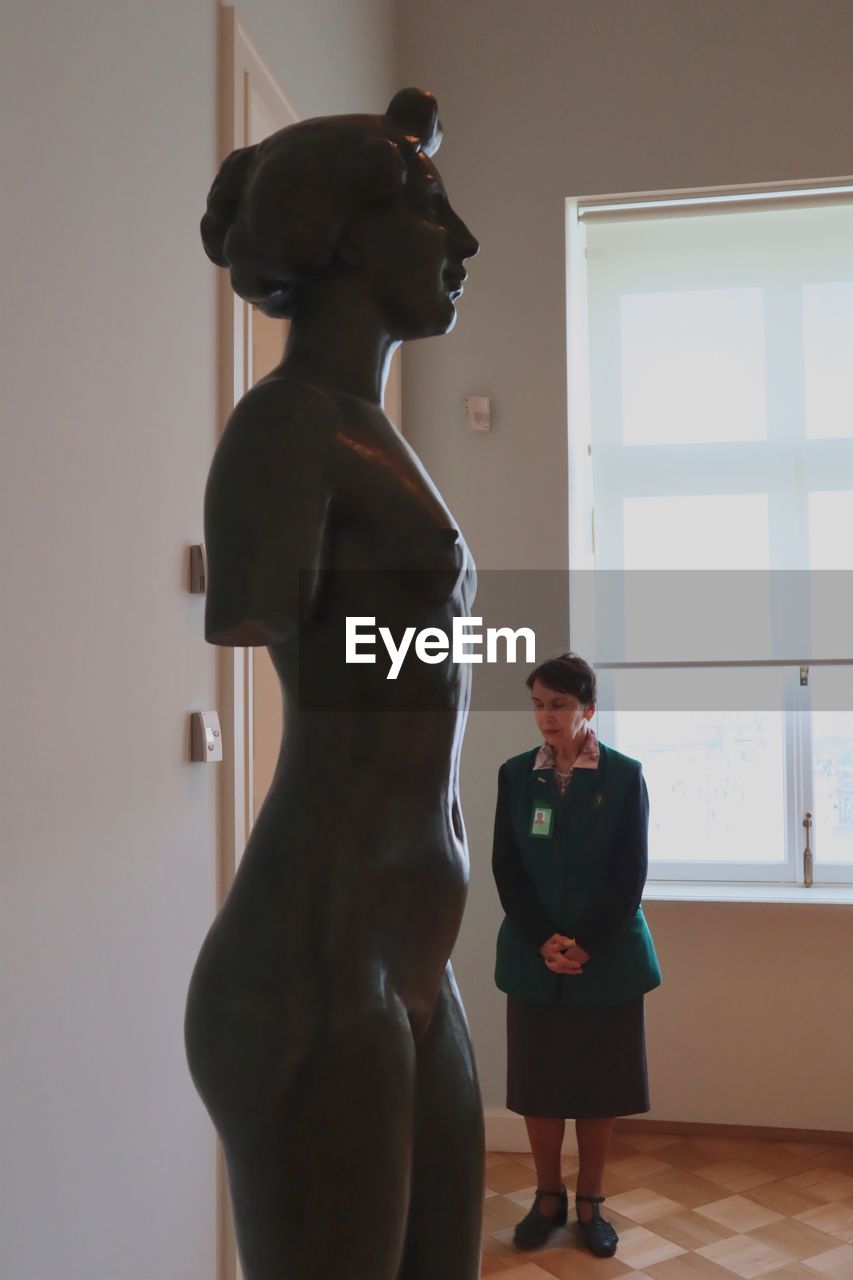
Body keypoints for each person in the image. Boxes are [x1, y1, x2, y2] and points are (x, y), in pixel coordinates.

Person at [184, 89, 483, 1280]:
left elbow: (389, 659)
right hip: (309, 960)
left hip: (411, 950)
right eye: (429, 210)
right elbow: (287, 626)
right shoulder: (286, 429)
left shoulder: (368, 425)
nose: (461, 244)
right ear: (348, 237)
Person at [492, 652, 661, 1258]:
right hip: (534, 956)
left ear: (588, 708)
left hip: (606, 956)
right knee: (540, 1084)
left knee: (599, 1086)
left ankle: (591, 1201)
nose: (546, 718)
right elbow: (506, 869)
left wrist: (585, 943)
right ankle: (546, 1198)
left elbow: (629, 873)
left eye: (558, 706)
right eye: (538, 705)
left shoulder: (623, 775)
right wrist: (543, 939)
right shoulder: (516, 775)